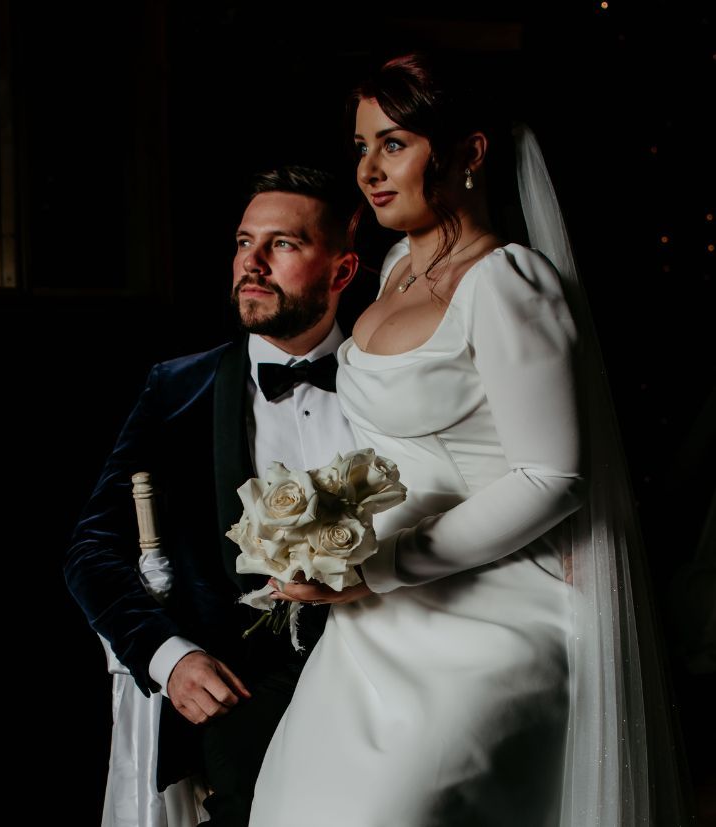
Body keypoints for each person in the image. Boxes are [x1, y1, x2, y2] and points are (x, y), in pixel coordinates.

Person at [250, 55, 690, 826]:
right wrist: (319, 538)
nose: (368, 170)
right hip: (374, 619)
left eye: (393, 144)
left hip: (494, 610)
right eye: (360, 147)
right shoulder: (393, 269)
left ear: (470, 152)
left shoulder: (506, 283)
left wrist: (381, 564)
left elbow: (552, 477)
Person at [64, 165, 361, 827]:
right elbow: (91, 550)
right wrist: (170, 658)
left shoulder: (391, 379)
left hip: (384, 669)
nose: (251, 263)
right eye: (243, 242)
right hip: (242, 694)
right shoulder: (178, 389)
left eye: (281, 244)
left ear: (341, 271)